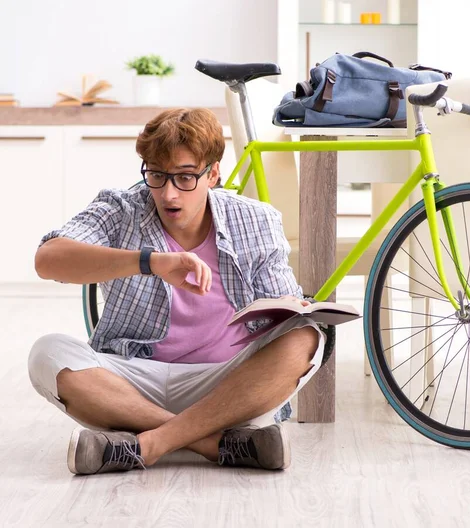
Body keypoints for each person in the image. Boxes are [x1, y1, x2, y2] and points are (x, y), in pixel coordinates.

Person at [29, 108, 326, 475]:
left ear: (213, 173)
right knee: (47, 353)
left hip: (225, 384)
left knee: (307, 336)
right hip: (132, 383)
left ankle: (146, 444)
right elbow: (48, 259)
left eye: (185, 177)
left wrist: (290, 307)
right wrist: (151, 262)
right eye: (157, 175)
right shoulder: (121, 209)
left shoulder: (255, 219)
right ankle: (217, 445)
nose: (169, 193)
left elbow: (282, 312)